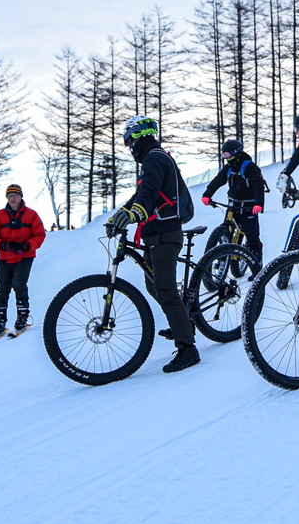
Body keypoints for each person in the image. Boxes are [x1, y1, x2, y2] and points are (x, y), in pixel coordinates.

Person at [107, 115, 200, 373]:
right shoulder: (152, 160)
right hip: (154, 233)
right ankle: (182, 322)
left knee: (165, 288)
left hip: (165, 233)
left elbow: (147, 195)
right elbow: (143, 194)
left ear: (137, 136)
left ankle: (188, 349)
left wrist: (133, 214)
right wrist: (121, 214)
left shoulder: (155, 158)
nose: (128, 147)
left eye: (128, 141)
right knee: (154, 285)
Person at [0, 184, 46, 336]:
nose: (12, 198)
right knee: (2, 287)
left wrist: (27, 246)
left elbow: (40, 235)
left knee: (19, 284)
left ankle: (22, 318)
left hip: (25, 256)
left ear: (21, 197)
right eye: (9, 196)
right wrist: (2, 244)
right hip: (5, 256)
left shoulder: (31, 215)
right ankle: (0, 320)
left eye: (15, 195)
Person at [201, 139, 266, 260]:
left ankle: (257, 263)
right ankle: (222, 256)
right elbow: (218, 181)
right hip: (233, 206)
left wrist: (259, 204)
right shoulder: (228, 168)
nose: (225, 158)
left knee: (252, 238)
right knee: (227, 232)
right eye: (223, 155)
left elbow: (258, 186)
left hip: (249, 208)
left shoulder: (250, 168)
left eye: (227, 154)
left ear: (236, 153)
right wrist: (207, 194)